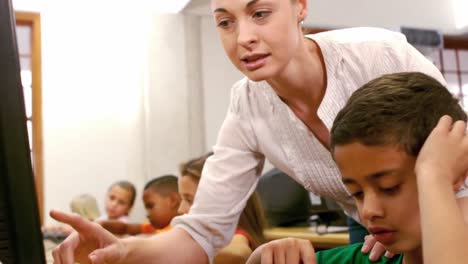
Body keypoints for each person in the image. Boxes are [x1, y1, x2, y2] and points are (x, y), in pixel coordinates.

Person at [50, 0, 468, 263]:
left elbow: (458, 167)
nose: (244, 38)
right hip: (374, 229)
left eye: (260, 13)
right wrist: (122, 251)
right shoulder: (247, 108)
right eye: (225, 23)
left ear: (300, 6)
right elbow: (201, 233)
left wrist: (415, 230)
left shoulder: (380, 55)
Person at [245, 72, 468, 264]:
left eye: (389, 188)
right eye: (357, 193)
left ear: (454, 173)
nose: (368, 211)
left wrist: (435, 176)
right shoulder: (364, 258)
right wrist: (261, 258)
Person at [178, 152, 266, 264]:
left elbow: (238, 252)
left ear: (223, 200)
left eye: (190, 200)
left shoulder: (236, 236)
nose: (180, 209)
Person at [100, 175, 181, 235]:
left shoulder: (179, 232)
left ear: (173, 201)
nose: (147, 214)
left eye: (150, 206)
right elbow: (125, 228)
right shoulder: (153, 227)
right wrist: (102, 224)